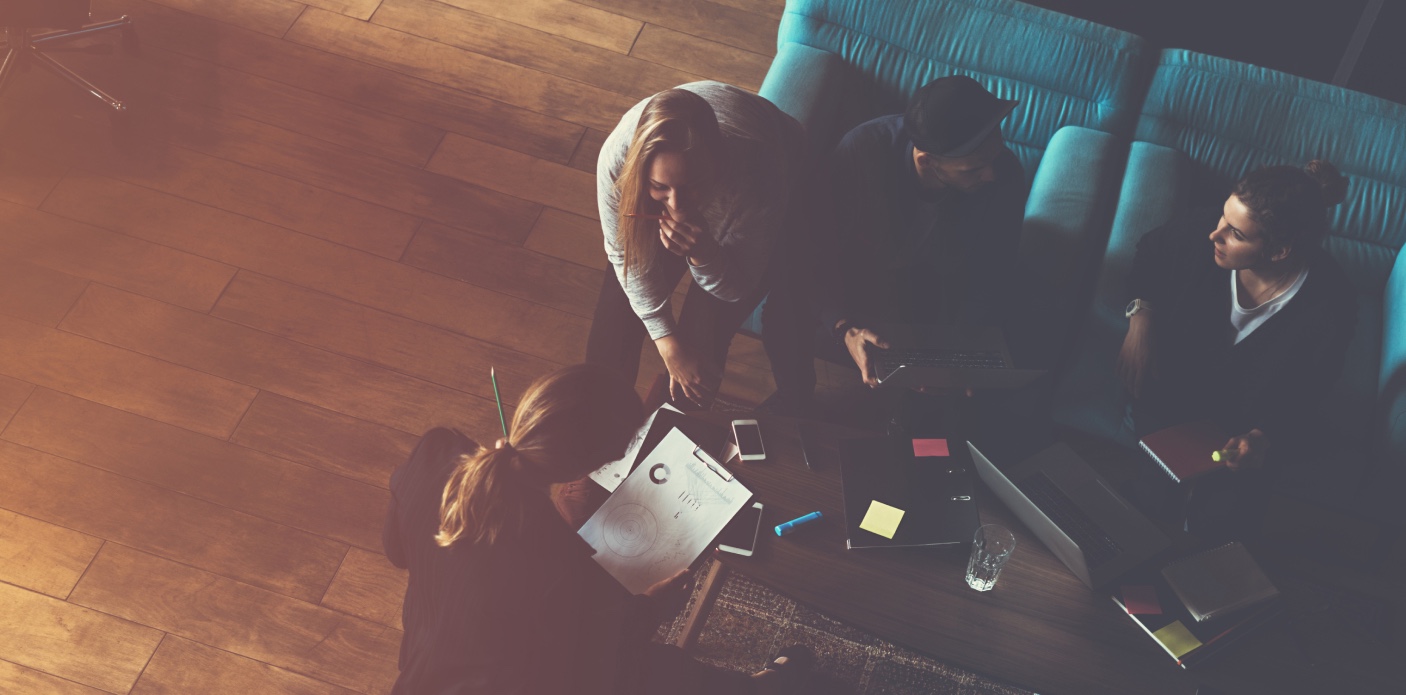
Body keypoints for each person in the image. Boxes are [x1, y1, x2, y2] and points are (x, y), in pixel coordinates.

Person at [383, 364, 810, 694]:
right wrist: (653, 609)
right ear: (591, 466)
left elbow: (395, 552)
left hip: (421, 672)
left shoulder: (434, 451)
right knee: (654, 671)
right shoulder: (561, 565)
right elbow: (593, 659)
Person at [764, 75, 1029, 428]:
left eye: (993, 155)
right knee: (783, 303)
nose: (991, 174)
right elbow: (809, 250)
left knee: (945, 410)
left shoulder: (1005, 176)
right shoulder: (862, 151)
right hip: (857, 274)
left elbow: (991, 274)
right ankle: (794, 406)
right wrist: (843, 327)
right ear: (927, 162)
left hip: (936, 287)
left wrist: (961, 348)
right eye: (974, 168)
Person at [1115, 160, 1356, 536]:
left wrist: (1263, 436)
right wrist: (1141, 318)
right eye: (1222, 218)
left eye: (1235, 234)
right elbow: (1150, 253)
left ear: (1278, 251)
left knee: (1220, 527)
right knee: (1149, 504)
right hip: (1170, 399)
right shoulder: (1201, 229)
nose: (1215, 234)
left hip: (1239, 431)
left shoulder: (1330, 303)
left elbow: (1311, 386)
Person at [586, 81, 804, 409]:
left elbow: (737, 286)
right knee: (611, 336)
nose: (675, 207)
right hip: (706, 187)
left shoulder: (759, 177)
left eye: (689, 187)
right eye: (660, 188)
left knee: (701, 353)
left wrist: (704, 254)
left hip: (777, 177)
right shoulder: (618, 159)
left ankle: (673, 436)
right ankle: (602, 435)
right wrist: (667, 343)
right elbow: (623, 254)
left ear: (712, 165)